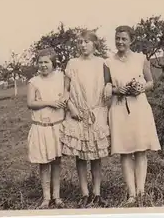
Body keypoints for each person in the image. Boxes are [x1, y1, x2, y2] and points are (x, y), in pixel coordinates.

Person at [103, 25, 161, 207]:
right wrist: (115, 89)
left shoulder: (141, 59)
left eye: (124, 39)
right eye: (117, 38)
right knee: (125, 152)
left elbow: (151, 82)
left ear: (131, 41)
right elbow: (106, 86)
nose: (120, 42)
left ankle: (141, 191)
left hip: (139, 108)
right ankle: (131, 194)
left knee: (140, 149)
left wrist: (141, 87)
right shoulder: (108, 62)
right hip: (119, 108)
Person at [60, 30, 111, 208]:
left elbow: (108, 82)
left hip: (97, 112)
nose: (83, 45)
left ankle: (97, 193)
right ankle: (84, 193)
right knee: (80, 155)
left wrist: (109, 86)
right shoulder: (72, 64)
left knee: (96, 155)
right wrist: (71, 108)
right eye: (80, 42)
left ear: (94, 44)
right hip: (77, 113)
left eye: (86, 42)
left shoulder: (102, 62)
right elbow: (65, 90)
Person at [26, 48, 68, 209]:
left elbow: (67, 91)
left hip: (57, 126)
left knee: (57, 162)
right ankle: (46, 197)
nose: (43, 65)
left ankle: (57, 197)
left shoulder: (60, 77)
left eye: (46, 62)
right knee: (44, 163)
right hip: (41, 127)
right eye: (40, 62)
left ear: (53, 63)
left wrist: (64, 98)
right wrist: (49, 102)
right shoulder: (34, 82)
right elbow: (31, 103)